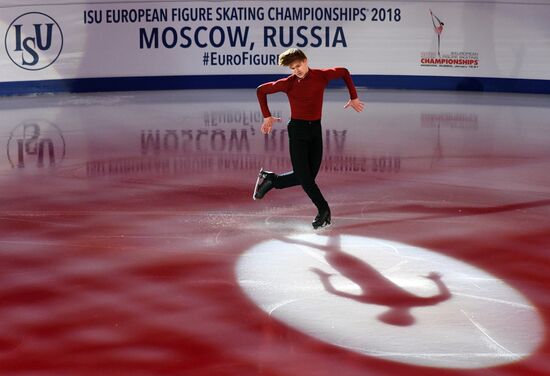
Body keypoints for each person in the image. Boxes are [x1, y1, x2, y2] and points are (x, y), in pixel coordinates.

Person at [253, 48, 364, 229]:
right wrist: (267, 116)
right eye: (292, 68)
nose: (296, 70)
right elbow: (261, 91)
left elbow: (344, 71)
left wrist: (353, 97)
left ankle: (272, 180)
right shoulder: (289, 83)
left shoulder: (321, 76)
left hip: (315, 130)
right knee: (305, 178)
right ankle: (323, 209)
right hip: (298, 131)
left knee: (308, 176)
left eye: (298, 65)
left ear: (306, 61)